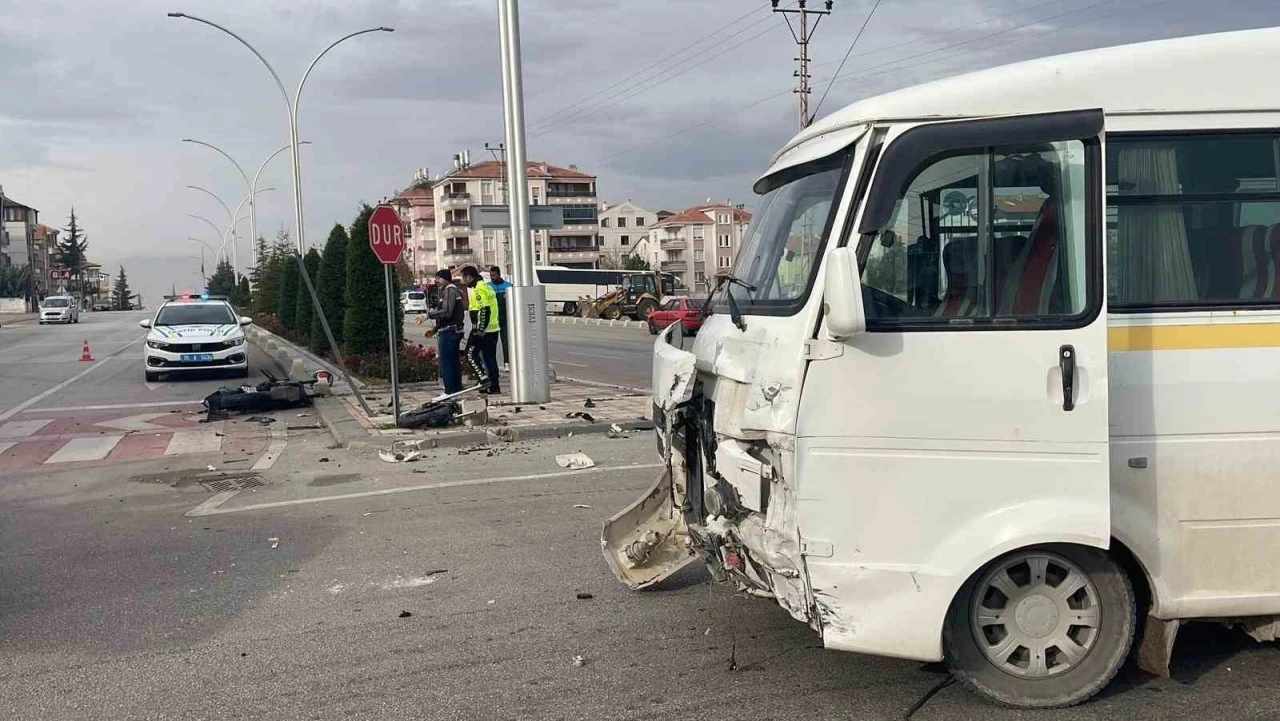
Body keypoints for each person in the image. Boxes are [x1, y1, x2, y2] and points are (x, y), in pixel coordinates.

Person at [462, 265, 501, 395]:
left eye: (464, 278)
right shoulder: (487, 287)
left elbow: (485, 309)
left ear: (469, 277)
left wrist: (481, 328)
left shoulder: (479, 289)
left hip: (483, 331)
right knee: (490, 358)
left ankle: (483, 380)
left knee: (470, 354)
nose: (463, 281)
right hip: (493, 329)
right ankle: (494, 386)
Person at [426, 269, 464, 394]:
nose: (436, 281)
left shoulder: (449, 291)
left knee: (447, 362)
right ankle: (456, 389)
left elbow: (447, 312)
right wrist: (435, 329)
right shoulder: (453, 291)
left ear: (446, 279)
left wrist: (429, 315)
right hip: (453, 330)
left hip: (449, 331)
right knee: (453, 361)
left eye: (439, 278)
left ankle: (449, 390)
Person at [487, 266, 512, 370]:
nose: (492, 277)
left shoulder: (508, 286)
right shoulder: (487, 286)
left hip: (505, 319)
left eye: (494, 275)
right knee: (492, 343)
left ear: (499, 274)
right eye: (490, 275)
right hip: (493, 319)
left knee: (506, 341)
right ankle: (493, 364)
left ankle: (507, 363)